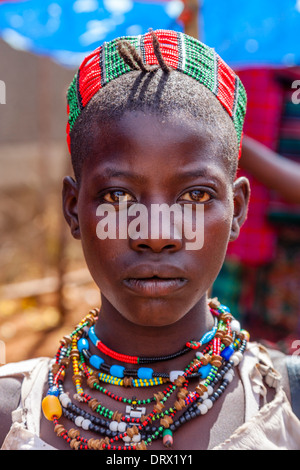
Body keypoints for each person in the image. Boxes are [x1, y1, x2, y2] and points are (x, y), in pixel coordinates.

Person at [1, 29, 300, 451]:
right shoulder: (12, 416)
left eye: (195, 195)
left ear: (237, 210)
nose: (156, 234)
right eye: (118, 196)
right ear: (73, 208)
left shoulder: (287, 407)